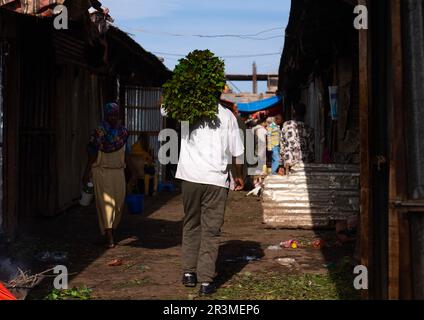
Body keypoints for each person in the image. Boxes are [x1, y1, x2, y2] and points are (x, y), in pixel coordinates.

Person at [176, 102, 245, 296]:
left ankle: (189, 272)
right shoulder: (227, 116)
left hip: (190, 177)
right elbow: (237, 152)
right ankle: (206, 281)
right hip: (216, 180)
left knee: (191, 224)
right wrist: (238, 174)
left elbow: (164, 105)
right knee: (211, 230)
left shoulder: (187, 107)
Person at [83, 102, 135, 249]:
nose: (113, 118)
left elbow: (126, 154)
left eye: (115, 115)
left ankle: (107, 232)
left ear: (118, 115)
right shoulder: (99, 133)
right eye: (110, 115)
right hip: (102, 172)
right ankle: (110, 236)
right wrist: (86, 173)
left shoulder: (123, 133)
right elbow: (91, 154)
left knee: (119, 204)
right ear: (106, 116)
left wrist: (133, 172)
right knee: (107, 205)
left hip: (118, 172)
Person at [280, 103, 315, 174]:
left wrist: (281, 163)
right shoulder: (309, 129)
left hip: (289, 162)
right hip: (304, 163)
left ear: (293, 112)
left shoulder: (286, 125)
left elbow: (282, 145)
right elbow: (311, 149)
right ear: (305, 113)